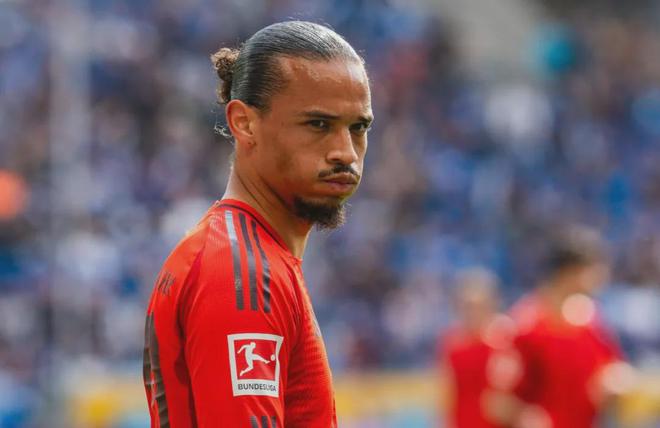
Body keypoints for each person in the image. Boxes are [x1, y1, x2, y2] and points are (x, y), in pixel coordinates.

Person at [142, 21, 373, 427]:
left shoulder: (250, 258)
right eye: (318, 125)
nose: (345, 152)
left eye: (358, 128)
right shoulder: (240, 274)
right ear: (244, 123)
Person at [484, 226, 634, 428]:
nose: (601, 280)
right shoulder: (524, 326)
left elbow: (612, 367)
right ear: (569, 273)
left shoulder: (589, 320)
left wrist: (614, 381)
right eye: (594, 272)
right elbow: (498, 403)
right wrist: (525, 418)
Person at [436, 268, 513, 428]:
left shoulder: (505, 341)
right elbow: (447, 391)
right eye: (468, 307)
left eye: (480, 306)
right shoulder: (453, 344)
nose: (474, 313)